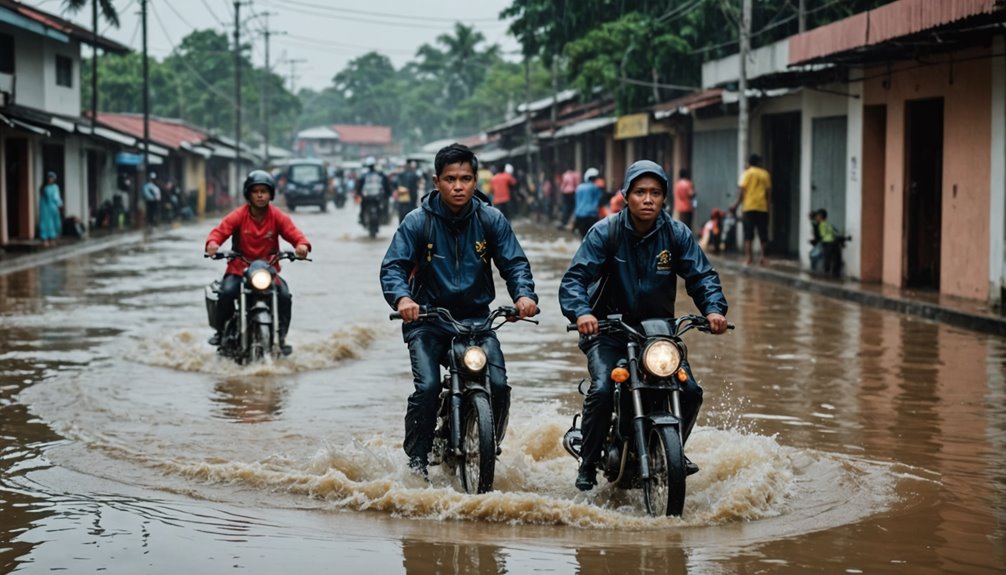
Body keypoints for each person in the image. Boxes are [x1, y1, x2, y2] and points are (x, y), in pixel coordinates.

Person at [558, 160, 729, 491]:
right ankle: (589, 461)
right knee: (604, 388)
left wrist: (714, 310)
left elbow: (702, 276)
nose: (647, 199)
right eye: (640, 192)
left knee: (690, 390)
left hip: (658, 333)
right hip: (607, 330)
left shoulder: (677, 234)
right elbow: (575, 278)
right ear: (625, 196)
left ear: (665, 197)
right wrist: (582, 312)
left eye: (655, 193)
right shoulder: (605, 232)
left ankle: (672, 449)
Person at [379, 143, 539, 478]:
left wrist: (524, 296)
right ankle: (418, 458)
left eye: (465, 178)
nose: (458, 186)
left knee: (498, 384)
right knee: (426, 388)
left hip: (478, 321)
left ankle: (487, 444)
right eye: (450, 178)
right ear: (436, 181)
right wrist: (403, 300)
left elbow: (515, 264)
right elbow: (393, 267)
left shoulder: (491, 219)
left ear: (475, 181)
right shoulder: (417, 222)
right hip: (428, 320)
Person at [204, 170, 311, 356]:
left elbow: (294, 233)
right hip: (239, 270)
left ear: (271, 194)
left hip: (268, 272)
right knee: (227, 293)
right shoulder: (238, 215)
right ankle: (221, 333)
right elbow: (220, 232)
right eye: (256, 191)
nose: (260, 195)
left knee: (285, 296)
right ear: (248, 194)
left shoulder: (277, 216)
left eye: (264, 191)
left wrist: (302, 246)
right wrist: (213, 244)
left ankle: (281, 337)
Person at [731, 153, 772, 265]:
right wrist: (767, 207)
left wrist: (736, 205)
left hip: (749, 207)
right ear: (759, 162)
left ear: (749, 162)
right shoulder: (765, 174)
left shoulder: (746, 173)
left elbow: (742, 192)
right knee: (763, 234)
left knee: (748, 234)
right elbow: (769, 193)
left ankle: (749, 258)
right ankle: (764, 258)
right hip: (762, 208)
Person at [356, 156, 392, 225]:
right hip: (371, 197)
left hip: (373, 197)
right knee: (363, 206)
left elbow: (386, 185)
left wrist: (358, 193)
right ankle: (362, 219)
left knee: (382, 207)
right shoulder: (379, 174)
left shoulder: (366, 175)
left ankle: (363, 219)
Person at [573, 167, 603, 238]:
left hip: (579, 215)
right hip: (591, 215)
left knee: (583, 237)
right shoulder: (595, 188)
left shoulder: (579, 187)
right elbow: (599, 200)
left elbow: (577, 201)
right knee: (591, 238)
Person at [38, 171, 63, 247]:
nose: (51, 179)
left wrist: (59, 205)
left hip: (53, 207)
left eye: (52, 178)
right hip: (45, 208)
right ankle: (44, 239)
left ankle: (53, 239)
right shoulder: (44, 188)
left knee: (55, 223)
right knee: (46, 223)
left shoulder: (55, 187)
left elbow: (57, 197)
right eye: (49, 178)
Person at [673, 168, 696, 232]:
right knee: (688, 226)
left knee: (681, 225)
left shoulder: (677, 184)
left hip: (679, 207)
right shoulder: (688, 183)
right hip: (687, 207)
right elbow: (691, 194)